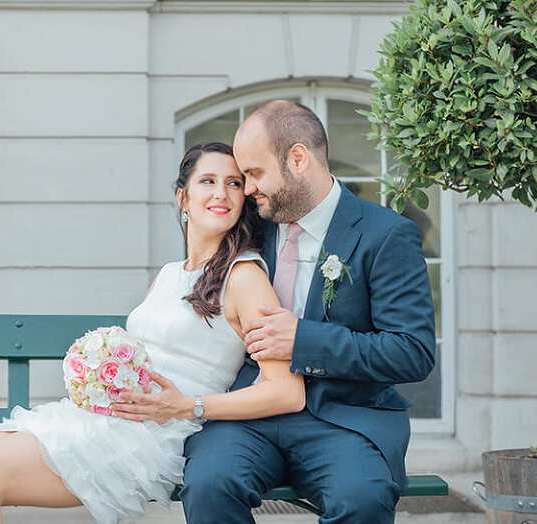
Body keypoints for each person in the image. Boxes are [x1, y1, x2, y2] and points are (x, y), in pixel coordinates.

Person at [0, 142, 305, 524]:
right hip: (105, 418)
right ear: (183, 198)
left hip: (151, 436)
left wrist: (189, 406)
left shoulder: (245, 277)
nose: (221, 193)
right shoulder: (170, 274)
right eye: (208, 181)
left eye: (234, 183)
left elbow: (287, 391)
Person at [166, 100, 436, 524]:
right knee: (208, 485)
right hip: (251, 414)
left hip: (345, 420)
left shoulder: (385, 235)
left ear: (297, 158)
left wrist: (303, 341)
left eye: (254, 173)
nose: (246, 189)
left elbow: (411, 351)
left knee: (361, 500)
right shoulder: (252, 226)